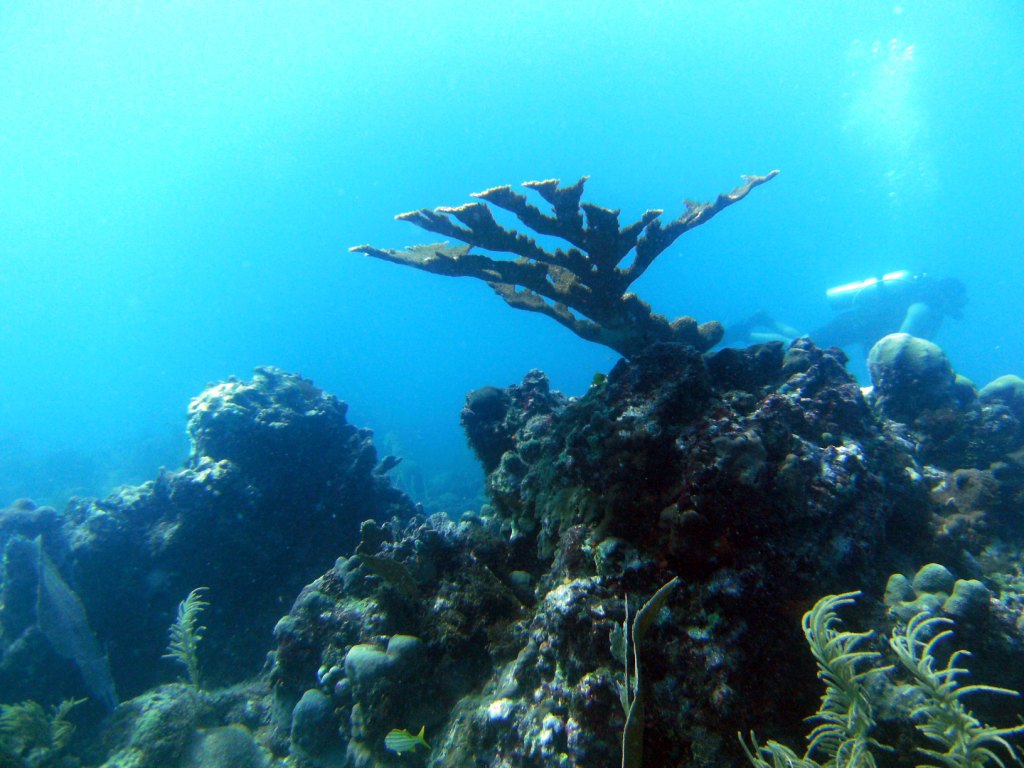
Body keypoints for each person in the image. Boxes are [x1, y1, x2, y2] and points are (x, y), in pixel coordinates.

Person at [723, 270, 968, 355]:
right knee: (802, 348)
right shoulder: (924, 305)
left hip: (860, 327)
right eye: (959, 301)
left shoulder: (925, 301)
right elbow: (902, 337)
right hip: (855, 325)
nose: (960, 308)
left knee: (804, 345)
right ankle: (750, 334)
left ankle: (762, 322)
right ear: (949, 295)